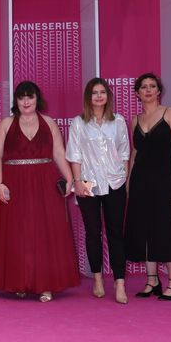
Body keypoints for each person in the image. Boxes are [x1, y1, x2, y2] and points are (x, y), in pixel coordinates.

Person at [0, 81, 80, 302]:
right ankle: (19, 282)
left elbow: (58, 153)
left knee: (45, 233)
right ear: (16, 101)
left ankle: (45, 285)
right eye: (21, 97)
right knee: (17, 234)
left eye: (30, 97)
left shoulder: (49, 123)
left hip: (45, 184)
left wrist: (70, 178)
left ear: (37, 99)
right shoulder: (6, 124)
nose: (26, 101)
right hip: (14, 184)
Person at [124, 73, 171, 300]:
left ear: (159, 91)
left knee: (165, 227)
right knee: (143, 227)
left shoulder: (170, 114)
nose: (148, 90)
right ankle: (152, 281)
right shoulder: (135, 120)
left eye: (152, 86)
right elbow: (134, 153)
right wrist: (128, 181)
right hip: (140, 180)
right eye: (143, 87)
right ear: (137, 93)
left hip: (165, 178)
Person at [66, 78, 130, 304]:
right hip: (88, 184)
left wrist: (124, 178)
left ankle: (120, 282)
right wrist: (77, 181)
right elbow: (74, 155)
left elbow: (124, 152)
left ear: (108, 96)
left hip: (115, 183)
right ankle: (97, 278)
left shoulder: (118, 121)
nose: (99, 96)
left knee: (116, 232)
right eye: (95, 92)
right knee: (93, 232)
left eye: (103, 92)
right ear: (88, 97)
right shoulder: (79, 123)